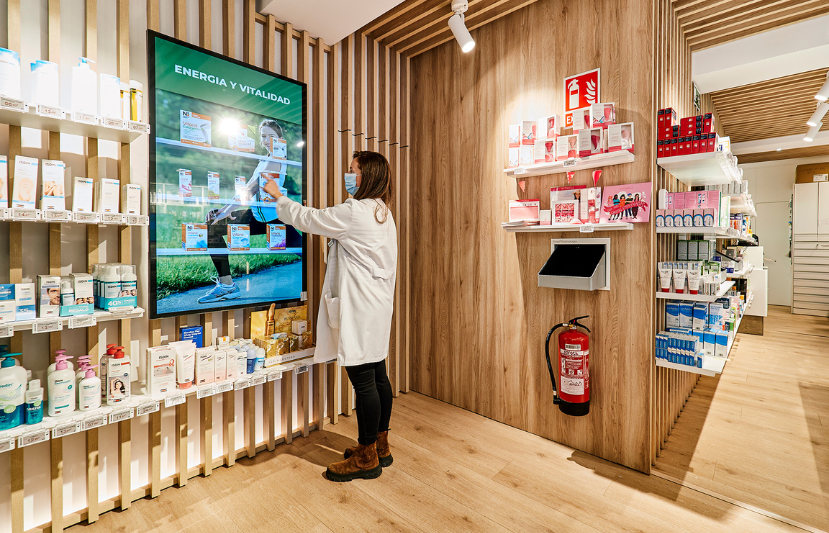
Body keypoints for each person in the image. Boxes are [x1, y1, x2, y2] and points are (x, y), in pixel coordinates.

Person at [263, 150, 397, 483]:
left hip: (361, 307)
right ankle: (380, 444)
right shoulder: (383, 212)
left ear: (367, 176)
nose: (348, 176)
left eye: (352, 171)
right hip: (377, 306)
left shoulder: (354, 211)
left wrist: (279, 196)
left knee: (364, 381)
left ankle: (366, 457)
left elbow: (310, 219)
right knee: (378, 374)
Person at [199, 119, 302, 303]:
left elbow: (252, 189)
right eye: (263, 136)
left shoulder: (276, 158)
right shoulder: (265, 159)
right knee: (212, 227)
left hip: (276, 218)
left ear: (279, 138)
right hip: (256, 216)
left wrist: (225, 212)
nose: (266, 140)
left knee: (308, 251)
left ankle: (332, 277)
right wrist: (224, 209)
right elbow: (247, 187)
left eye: (271, 136)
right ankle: (227, 286)